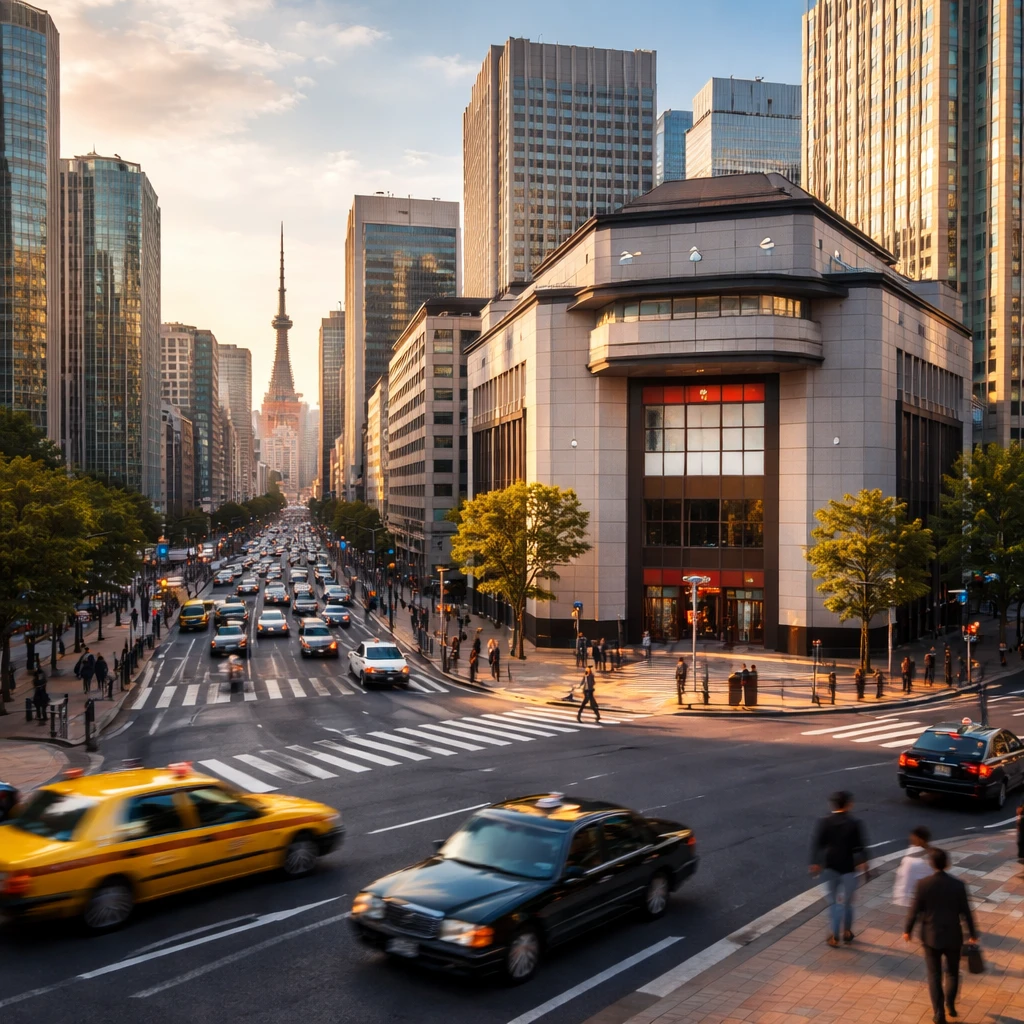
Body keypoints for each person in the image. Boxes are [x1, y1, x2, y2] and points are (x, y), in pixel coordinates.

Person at [903, 847, 978, 1024]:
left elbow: (914, 911)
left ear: (932, 864)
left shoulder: (923, 884)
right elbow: (967, 912)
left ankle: (938, 1013)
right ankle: (950, 1004)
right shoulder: (958, 885)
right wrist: (973, 934)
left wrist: (907, 930)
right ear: (947, 864)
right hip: (953, 935)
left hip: (930, 936)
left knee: (934, 975)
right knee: (952, 972)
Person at [809, 790, 869, 947]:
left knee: (834, 903)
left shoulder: (824, 822)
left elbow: (818, 845)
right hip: (849, 869)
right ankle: (847, 932)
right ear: (849, 805)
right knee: (848, 903)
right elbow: (860, 847)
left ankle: (835, 935)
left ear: (832, 804)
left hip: (830, 868)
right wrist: (864, 862)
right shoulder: (854, 823)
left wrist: (815, 863)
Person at [893, 826, 933, 907]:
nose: (910, 838)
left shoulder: (910, 859)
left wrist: (900, 898)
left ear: (919, 839)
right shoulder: (932, 853)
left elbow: (905, 879)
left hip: (917, 898)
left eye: (913, 837)